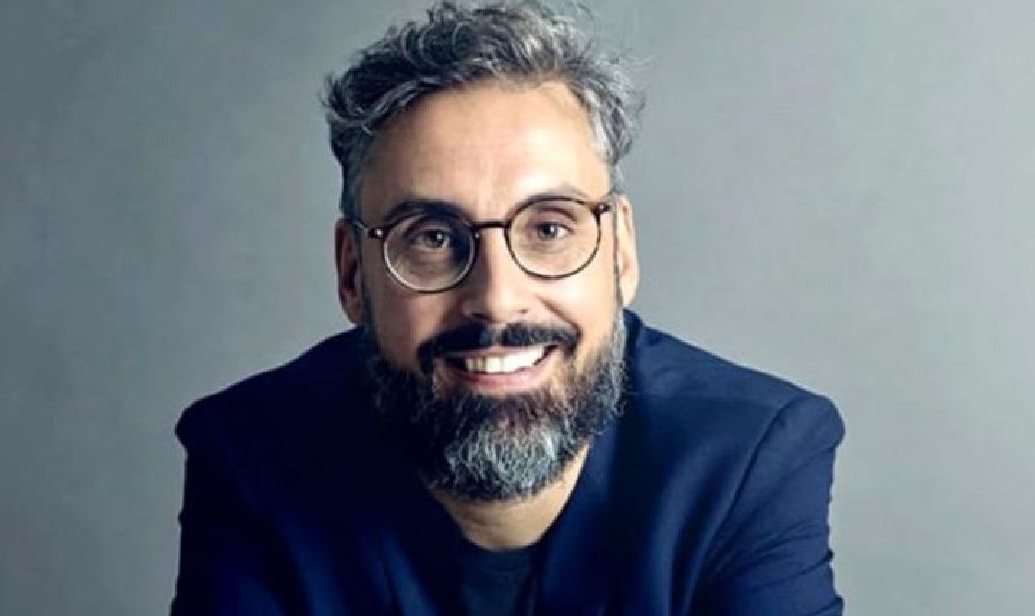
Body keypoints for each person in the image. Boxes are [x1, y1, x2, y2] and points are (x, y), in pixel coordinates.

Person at [171, 2, 845, 614]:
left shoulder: (751, 457)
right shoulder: (250, 458)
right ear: (352, 274)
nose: (496, 298)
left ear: (621, 252)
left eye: (549, 228)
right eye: (433, 239)